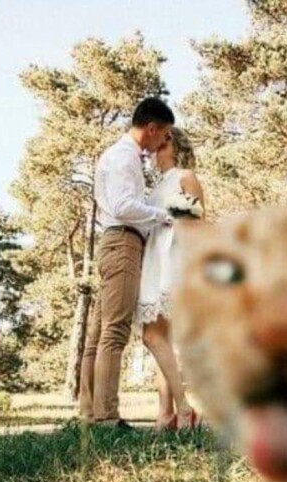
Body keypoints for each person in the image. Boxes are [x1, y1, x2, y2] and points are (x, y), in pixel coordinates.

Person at [79, 97, 175, 429]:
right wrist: (161, 216)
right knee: (115, 330)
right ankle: (107, 417)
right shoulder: (124, 158)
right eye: (165, 134)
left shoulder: (120, 155)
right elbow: (123, 206)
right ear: (152, 128)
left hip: (113, 241)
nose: (164, 142)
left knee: (99, 333)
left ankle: (89, 412)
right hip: (122, 242)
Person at [137, 127, 205, 430]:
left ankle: (185, 408)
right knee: (160, 339)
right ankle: (165, 414)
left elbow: (196, 225)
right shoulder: (156, 186)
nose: (154, 150)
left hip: (173, 261)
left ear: (174, 146)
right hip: (153, 261)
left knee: (151, 337)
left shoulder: (185, 176)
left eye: (161, 144)